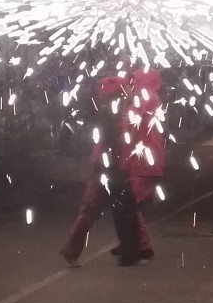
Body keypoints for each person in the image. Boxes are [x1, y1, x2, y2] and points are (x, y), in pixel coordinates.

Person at [60, 68, 165, 266]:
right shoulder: (126, 106)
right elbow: (125, 131)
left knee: (112, 208)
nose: (129, 87)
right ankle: (133, 250)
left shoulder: (117, 106)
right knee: (122, 208)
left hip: (113, 164)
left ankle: (134, 247)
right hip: (117, 166)